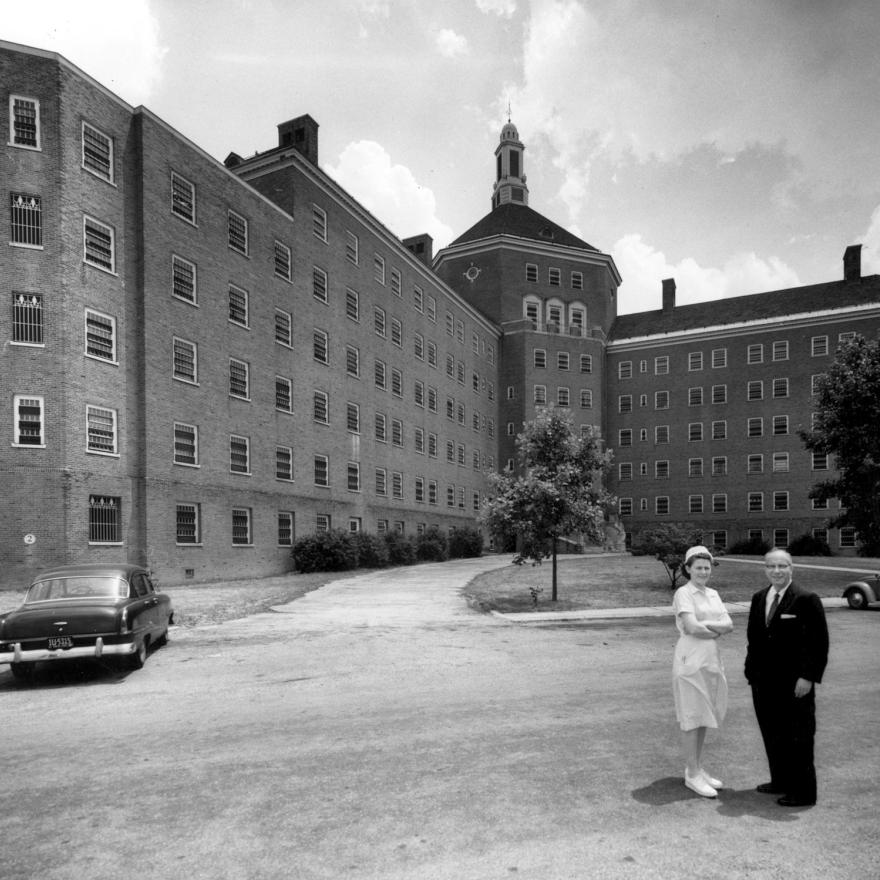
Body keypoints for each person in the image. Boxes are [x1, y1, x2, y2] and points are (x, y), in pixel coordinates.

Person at [745, 548, 829, 807]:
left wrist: (808, 677)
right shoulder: (759, 597)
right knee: (773, 733)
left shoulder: (806, 599)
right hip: (763, 682)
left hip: (795, 684)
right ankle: (779, 780)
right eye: (771, 566)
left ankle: (804, 793)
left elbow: (819, 643)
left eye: (782, 566)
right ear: (765, 569)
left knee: (799, 737)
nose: (777, 571)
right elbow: (754, 639)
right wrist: (751, 671)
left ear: (792, 568)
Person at [672, 545, 734, 798]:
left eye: (707, 568)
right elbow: (691, 628)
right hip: (690, 659)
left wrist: (707, 625)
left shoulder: (713, 594)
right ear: (687, 569)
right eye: (698, 567)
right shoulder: (683, 593)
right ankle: (692, 773)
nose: (703, 572)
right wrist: (715, 628)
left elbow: (729, 624)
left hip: (710, 659)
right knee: (691, 716)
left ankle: (696, 769)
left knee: (705, 714)